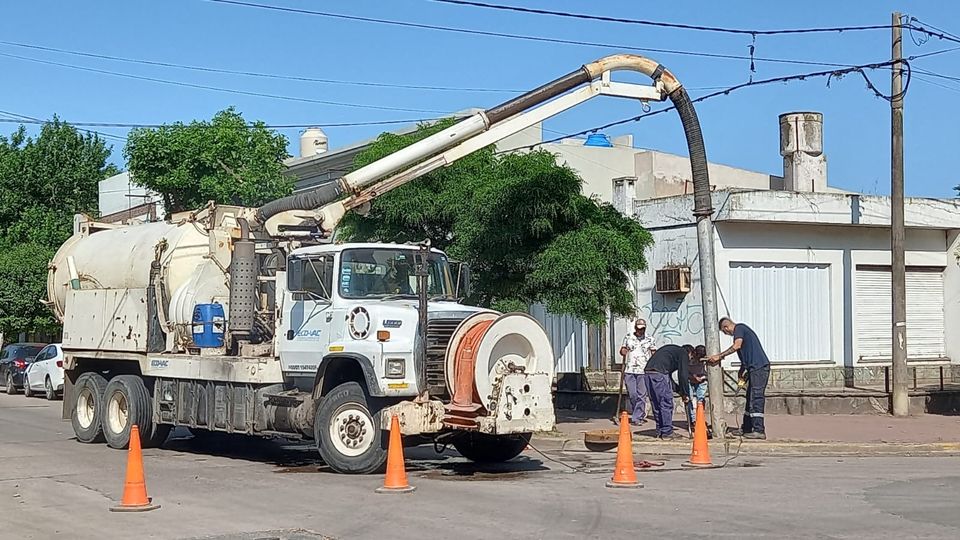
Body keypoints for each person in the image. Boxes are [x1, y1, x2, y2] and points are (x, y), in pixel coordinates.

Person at [706, 318, 771, 440]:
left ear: (726, 328)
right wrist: (742, 371)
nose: (727, 334)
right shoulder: (742, 332)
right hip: (752, 369)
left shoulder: (739, 328)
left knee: (756, 397)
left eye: (725, 332)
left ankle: (759, 430)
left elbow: (737, 346)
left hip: (759, 368)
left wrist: (719, 356)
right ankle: (747, 427)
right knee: (749, 397)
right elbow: (745, 354)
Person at [643, 343, 693, 440]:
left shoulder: (672, 353)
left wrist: (679, 390)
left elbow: (669, 378)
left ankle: (660, 430)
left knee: (656, 404)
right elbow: (683, 375)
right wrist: (685, 393)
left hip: (648, 373)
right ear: (690, 353)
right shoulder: (683, 353)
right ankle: (667, 432)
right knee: (666, 403)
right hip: (659, 373)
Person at [618, 319, 657, 426]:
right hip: (630, 370)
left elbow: (654, 352)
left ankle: (637, 417)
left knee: (642, 395)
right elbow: (622, 350)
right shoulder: (628, 337)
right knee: (633, 394)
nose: (641, 331)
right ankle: (639, 412)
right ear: (635, 328)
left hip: (644, 370)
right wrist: (623, 351)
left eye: (643, 329)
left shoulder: (650, 339)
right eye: (639, 329)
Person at [687, 344, 711, 437]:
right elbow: (685, 370)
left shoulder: (705, 359)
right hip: (690, 379)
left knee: (700, 399)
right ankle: (693, 420)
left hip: (701, 379)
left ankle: (700, 418)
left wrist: (702, 378)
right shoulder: (689, 359)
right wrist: (694, 377)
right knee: (690, 399)